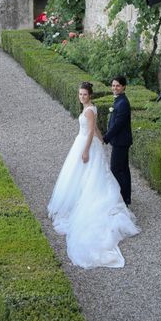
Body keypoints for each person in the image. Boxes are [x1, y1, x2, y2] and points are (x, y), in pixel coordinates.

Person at [48, 82, 139, 269]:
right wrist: (102, 141)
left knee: (90, 176)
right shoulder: (90, 109)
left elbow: (90, 131)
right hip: (84, 142)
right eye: (80, 94)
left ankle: (90, 203)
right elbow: (96, 130)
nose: (82, 97)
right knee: (83, 177)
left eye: (84, 94)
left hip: (84, 145)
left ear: (90, 95)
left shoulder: (89, 110)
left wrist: (88, 149)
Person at [102, 76, 132, 206]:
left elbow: (118, 124)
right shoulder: (119, 100)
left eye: (118, 85)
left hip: (121, 141)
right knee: (124, 169)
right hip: (121, 141)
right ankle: (126, 196)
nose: (115, 88)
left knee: (115, 169)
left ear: (124, 87)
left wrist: (106, 137)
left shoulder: (123, 103)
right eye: (113, 85)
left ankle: (122, 196)